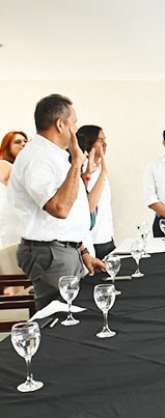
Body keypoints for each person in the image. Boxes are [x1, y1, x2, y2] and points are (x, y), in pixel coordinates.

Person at [10, 94, 105, 309]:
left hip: (65, 252)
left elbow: (66, 220)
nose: (76, 128)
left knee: (71, 317)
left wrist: (83, 251)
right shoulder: (37, 158)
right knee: (59, 322)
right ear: (61, 124)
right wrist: (77, 163)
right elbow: (60, 209)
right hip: (51, 255)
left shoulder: (54, 155)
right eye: (74, 122)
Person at [76, 125, 116, 258]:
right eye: (100, 140)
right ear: (89, 141)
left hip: (106, 238)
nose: (105, 143)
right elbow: (89, 207)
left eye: (105, 139)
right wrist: (103, 173)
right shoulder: (83, 169)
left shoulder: (98, 169)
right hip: (92, 243)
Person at [0, 131, 29, 247]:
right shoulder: (4, 164)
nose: (23, 144)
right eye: (17, 142)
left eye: (25, 141)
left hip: (21, 229)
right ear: (7, 147)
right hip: (7, 229)